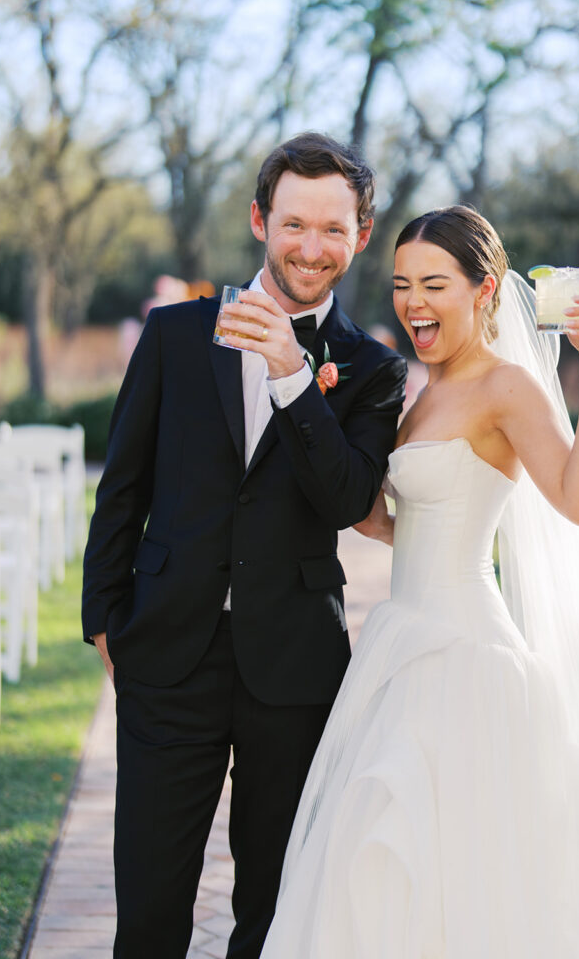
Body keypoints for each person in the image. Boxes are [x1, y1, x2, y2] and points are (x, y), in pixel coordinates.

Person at [258, 205, 579, 957]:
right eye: (401, 285)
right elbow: (385, 521)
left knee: (464, 873)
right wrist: (320, 420)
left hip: (466, 658)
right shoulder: (422, 392)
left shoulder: (507, 387)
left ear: (483, 289)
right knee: (389, 865)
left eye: (433, 285)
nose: (413, 303)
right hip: (402, 647)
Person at [81, 131, 408, 959]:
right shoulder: (173, 335)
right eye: (294, 223)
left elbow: (347, 499)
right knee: (150, 908)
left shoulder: (372, 370)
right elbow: (122, 488)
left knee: (273, 913)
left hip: (294, 664)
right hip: (167, 654)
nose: (311, 247)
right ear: (261, 221)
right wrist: (103, 621)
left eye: (332, 229)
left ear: (361, 234)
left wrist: (296, 376)